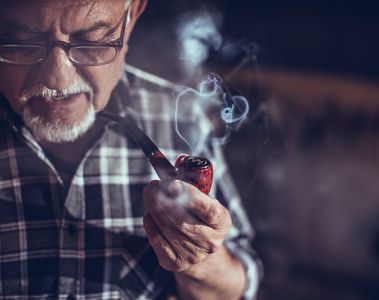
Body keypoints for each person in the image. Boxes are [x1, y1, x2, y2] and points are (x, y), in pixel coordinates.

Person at [0, 0, 262, 299]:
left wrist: (202, 260)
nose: (56, 78)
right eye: (23, 43)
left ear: (132, 15)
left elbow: (238, 286)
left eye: (91, 41)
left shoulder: (182, 117)